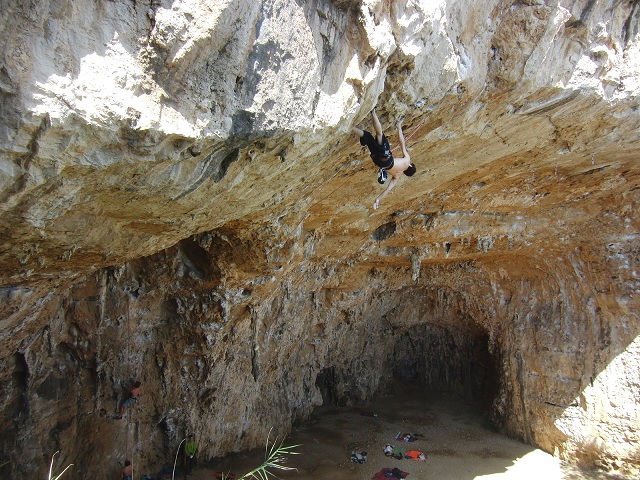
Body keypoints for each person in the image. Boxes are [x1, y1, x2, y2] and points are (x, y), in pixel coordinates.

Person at [351, 109, 416, 209]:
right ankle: (350, 127)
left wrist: (399, 128)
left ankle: (372, 111)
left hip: (387, 159)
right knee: (368, 136)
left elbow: (402, 143)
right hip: (379, 161)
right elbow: (387, 190)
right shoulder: (396, 176)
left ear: (410, 165)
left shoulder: (407, 161)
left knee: (379, 134)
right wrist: (378, 199)